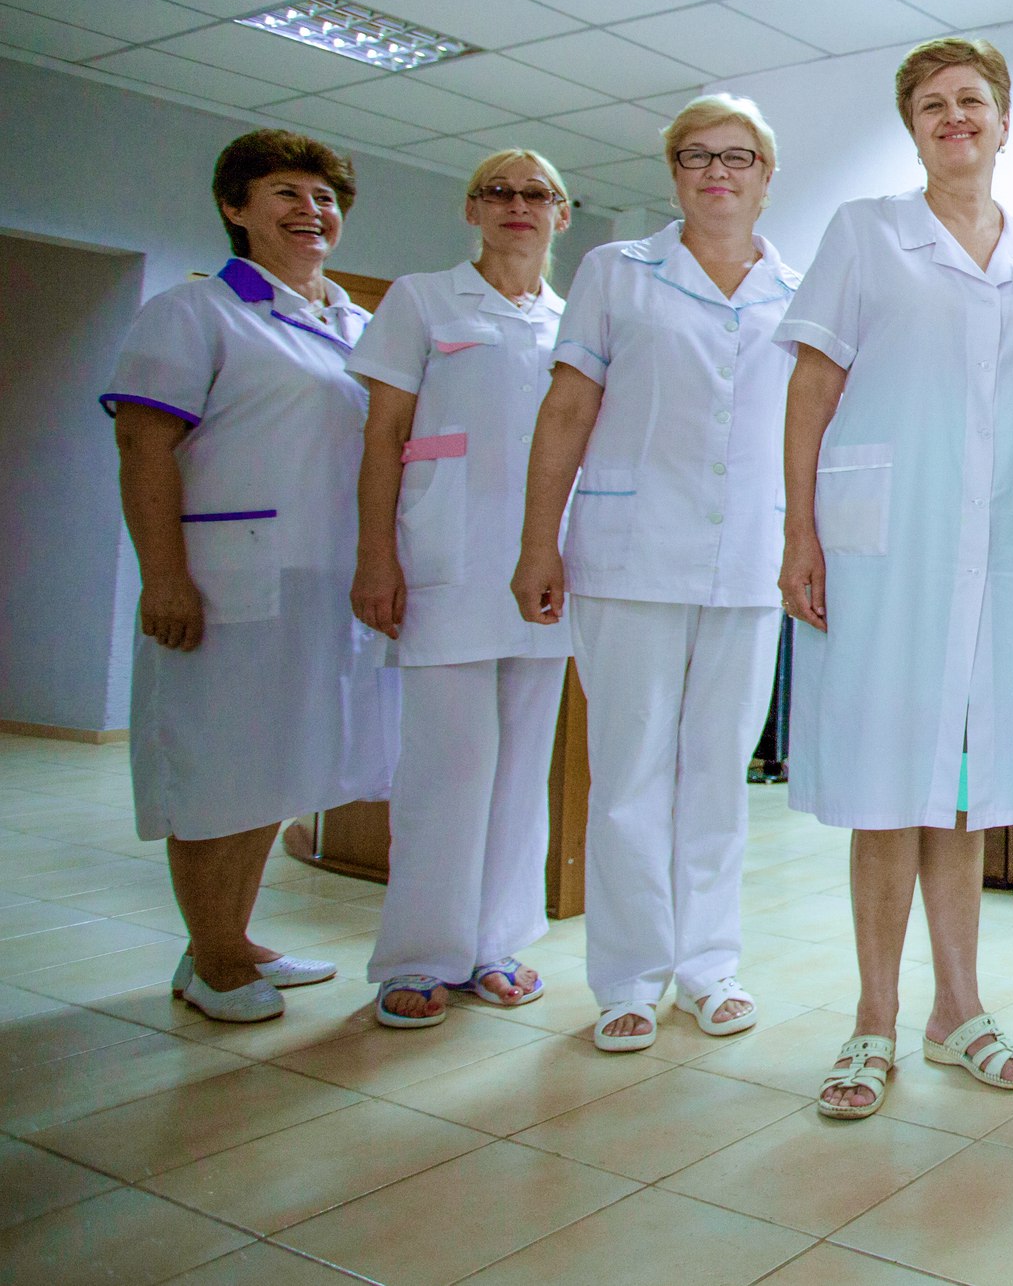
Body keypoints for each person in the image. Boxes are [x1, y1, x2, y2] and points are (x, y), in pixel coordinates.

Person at [778, 37, 1013, 1119]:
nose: (954, 117)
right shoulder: (865, 232)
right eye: (932, 104)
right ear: (912, 127)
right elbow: (810, 388)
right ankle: (873, 1020)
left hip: (997, 550)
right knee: (888, 784)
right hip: (884, 549)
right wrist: (799, 534)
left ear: (1004, 121)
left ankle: (959, 1011)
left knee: (965, 789)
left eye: (972, 100)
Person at [513, 95, 799, 1054]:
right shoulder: (616, 272)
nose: (717, 172)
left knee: (719, 771)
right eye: (695, 155)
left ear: (766, 176)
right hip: (629, 554)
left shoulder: (796, 291)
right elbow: (566, 411)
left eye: (737, 156)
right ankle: (629, 977)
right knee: (630, 774)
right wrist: (538, 541)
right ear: (673, 172)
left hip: (748, 562)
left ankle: (709, 965)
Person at [102, 129, 393, 1023]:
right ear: (235, 207)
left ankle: (228, 935)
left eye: (325, 198)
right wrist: (164, 578)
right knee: (215, 766)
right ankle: (215, 960)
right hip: (225, 582)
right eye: (286, 193)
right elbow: (143, 446)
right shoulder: (195, 313)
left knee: (275, 764)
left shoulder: (356, 326)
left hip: (318, 580)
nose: (312, 211)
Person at [350, 150, 574, 1028]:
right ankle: (419, 955)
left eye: (537, 194)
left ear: (561, 214)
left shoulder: (572, 322)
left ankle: (496, 945)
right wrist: (376, 555)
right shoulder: (421, 300)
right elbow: (382, 436)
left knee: (521, 767)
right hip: (442, 562)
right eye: (498, 192)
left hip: (544, 568)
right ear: (471, 210)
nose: (518, 205)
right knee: (448, 767)